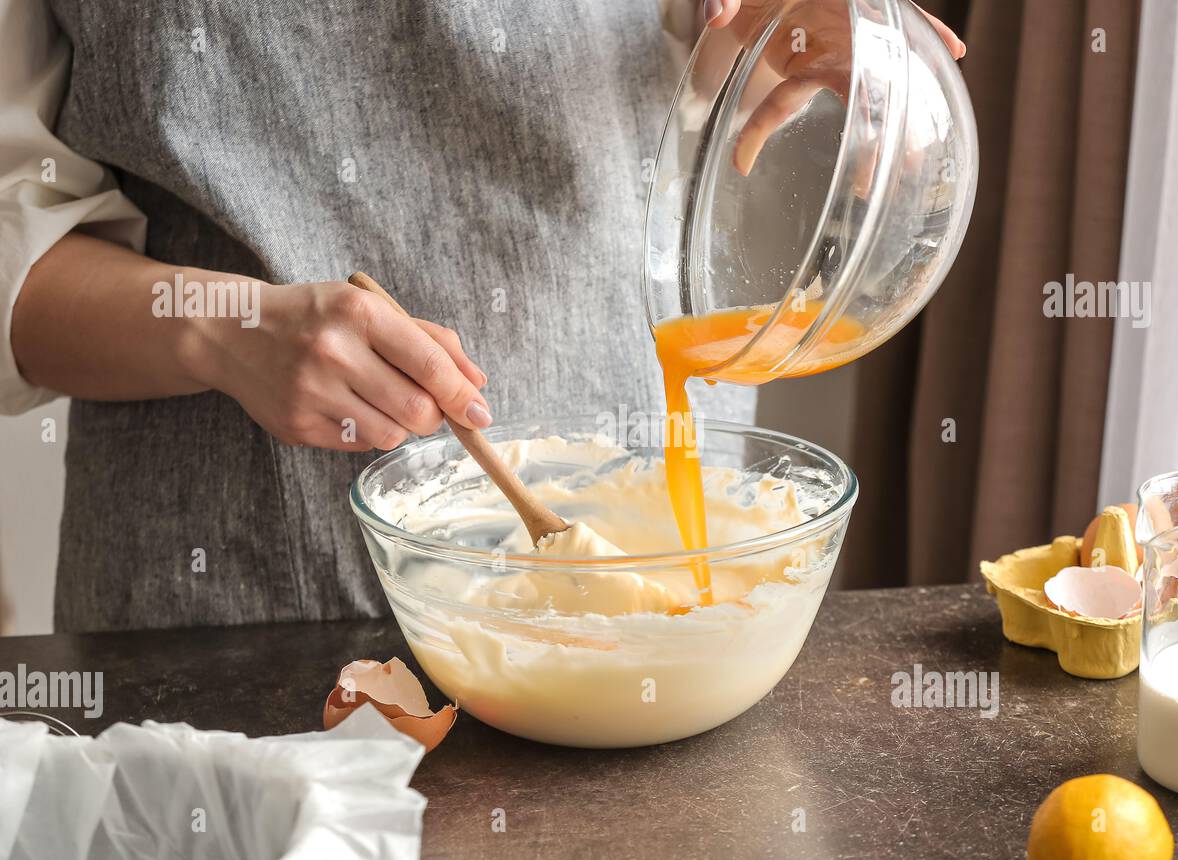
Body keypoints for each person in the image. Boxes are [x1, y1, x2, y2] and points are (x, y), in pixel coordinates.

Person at [1, 0, 963, 633]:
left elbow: (701, 61)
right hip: (234, 606)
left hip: (667, 571)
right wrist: (219, 328)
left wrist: (791, 37)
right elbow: (17, 258)